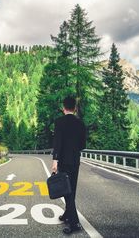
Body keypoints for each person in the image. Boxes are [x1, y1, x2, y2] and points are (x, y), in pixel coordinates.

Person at [51, 96, 87, 235]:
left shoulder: (59, 122)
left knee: (67, 191)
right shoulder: (81, 123)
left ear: (63, 108)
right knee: (72, 190)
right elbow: (82, 145)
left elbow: (57, 142)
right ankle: (67, 214)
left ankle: (74, 223)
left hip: (63, 162)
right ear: (75, 108)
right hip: (75, 161)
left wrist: (55, 160)